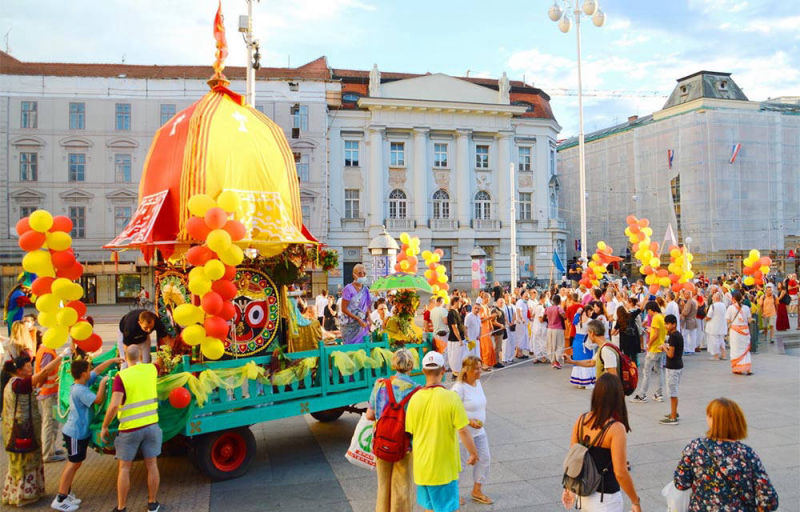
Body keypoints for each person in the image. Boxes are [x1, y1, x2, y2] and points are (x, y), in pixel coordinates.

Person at [673, 398, 779, 511]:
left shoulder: (696, 447)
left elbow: (681, 483)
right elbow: (769, 499)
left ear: (712, 420)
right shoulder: (747, 453)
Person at [405, 351, 477, 512]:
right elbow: (463, 430)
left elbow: (410, 431)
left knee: (429, 507)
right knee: (449, 508)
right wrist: (473, 452)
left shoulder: (414, 399)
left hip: (422, 466)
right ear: (443, 370)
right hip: (443, 467)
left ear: (423, 371)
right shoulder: (451, 397)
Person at [562, 373, 641, 512]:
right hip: (606, 499)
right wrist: (635, 501)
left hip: (583, 494)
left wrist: (568, 488)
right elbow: (620, 472)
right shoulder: (616, 429)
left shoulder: (582, 420)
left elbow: (573, 459)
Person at [52, 356, 121, 511]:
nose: (91, 372)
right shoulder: (80, 390)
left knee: (76, 462)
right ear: (83, 374)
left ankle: (67, 492)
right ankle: (60, 497)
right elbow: (97, 400)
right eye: (88, 370)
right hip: (75, 433)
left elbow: (97, 370)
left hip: (79, 433)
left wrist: (112, 361)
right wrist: (103, 383)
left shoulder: (82, 382)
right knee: (72, 463)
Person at [100, 345, 162, 512]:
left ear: (125, 358)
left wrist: (105, 426)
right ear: (140, 355)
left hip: (129, 429)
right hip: (151, 425)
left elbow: (113, 406)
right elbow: (159, 364)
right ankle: (152, 503)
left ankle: (121, 507)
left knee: (125, 468)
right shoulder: (151, 369)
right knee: (152, 465)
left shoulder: (122, 377)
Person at [2, 351, 68, 507]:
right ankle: (22, 495)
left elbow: (40, 379)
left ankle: (24, 493)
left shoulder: (15, 383)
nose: (30, 369)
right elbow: (43, 373)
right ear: (19, 370)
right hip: (22, 431)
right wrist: (61, 357)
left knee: (24, 462)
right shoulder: (18, 384)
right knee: (25, 462)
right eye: (27, 367)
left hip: (20, 430)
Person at [365, 349, 419, 512]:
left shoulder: (380, 384)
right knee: (402, 488)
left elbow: (370, 415)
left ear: (394, 363)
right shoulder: (417, 390)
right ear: (411, 365)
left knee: (383, 487)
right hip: (405, 445)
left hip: (382, 443)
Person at [452, 356, 492, 505]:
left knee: (485, 459)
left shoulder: (478, 383)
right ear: (467, 370)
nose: (479, 371)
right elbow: (453, 411)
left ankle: (477, 490)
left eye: (480, 368)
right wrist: (469, 421)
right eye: (476, 368)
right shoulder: (458, 388)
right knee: (460, 464)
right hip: (463, 433)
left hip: (479, 431)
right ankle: (453, 493)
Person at [34, 337, 65, 463]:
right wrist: (61, 357)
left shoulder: (46, 349)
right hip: (47, 393)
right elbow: (45, 371)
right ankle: (47, 454)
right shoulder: (47, 352)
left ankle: (51, 449)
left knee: (52, 423)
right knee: (49, 423)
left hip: (49, 391)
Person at [630, 302, 665, 403]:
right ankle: (659, 393)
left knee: (647, 372)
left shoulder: (655, 318)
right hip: (660, 347)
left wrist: (649, 343)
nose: (647, 313)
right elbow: (659, 331)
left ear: (651, 309)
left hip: (654, 348)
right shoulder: (662, 316)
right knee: (659, 371)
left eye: (648, 311)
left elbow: (656, 334)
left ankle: (642, 394)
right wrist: (650, 330)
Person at [340, 264, 372, 344]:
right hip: (350, 326)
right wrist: (357, 319)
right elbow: (344, 309)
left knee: (364, 350)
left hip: (363, 326)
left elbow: (367, 307)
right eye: (359, 273)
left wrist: (369, 318)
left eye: (364, 273)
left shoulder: (366, 290)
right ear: (354, 275)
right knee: (351, 351)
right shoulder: (348, 289)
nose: (362, 275)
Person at [660, 314, 683, 425]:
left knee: (672, 393)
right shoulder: (677, 335)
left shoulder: (673, 337)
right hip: (677, 366)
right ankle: (674, 412)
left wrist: (664, 347)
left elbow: (670, 354)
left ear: (673, 324)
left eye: (668, 324)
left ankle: (673, 417)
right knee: (673, 391)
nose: (666, 326)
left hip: (673, 367)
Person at [726, 291, 753, 375]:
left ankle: (738, 368)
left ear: (733, 298)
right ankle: (748, 368)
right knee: (745, 350)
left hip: (735, 332)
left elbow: (728, 320)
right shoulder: (746, 308)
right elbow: (749, 320)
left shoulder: (730, 308)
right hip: (745, 331)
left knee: (736, 349)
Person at [568, 305, 594, 388]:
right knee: (586, 361)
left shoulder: (576, 318)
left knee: (578, 361)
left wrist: (578, 312)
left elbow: (576, 316)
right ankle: (586, 383)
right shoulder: (590, 321)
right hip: (585, 343)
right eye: (591, 311)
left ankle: (580, 382)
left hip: (576, 342)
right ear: (588, 311)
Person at [544, 295, 566, 369]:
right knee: (559, 345)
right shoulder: (559, 308)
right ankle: (557, 361)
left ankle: (552, 361)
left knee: (551, 346)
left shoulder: (548, 308)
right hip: (558, 328)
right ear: (559, 301)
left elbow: (544, 316)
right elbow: (564, 316)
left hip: (549, 328)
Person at [704, 292, 728, 360]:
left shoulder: (713, 306)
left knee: (714, 341)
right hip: (722, 326)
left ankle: (716, 356)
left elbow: (709, 316)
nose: (712, 298)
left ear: (716, 298)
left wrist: (705, 319)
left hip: (713, 327)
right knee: (721, 341)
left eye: (713, 297)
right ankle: (723, 355)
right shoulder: (723, 305)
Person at [446, 297, 466, 377]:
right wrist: (460, 339)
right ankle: (455, 373)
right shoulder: (451, 313)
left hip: (460, 338)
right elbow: (454, 327)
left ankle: (459, 371)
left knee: (460, 356)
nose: (461, 303)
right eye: (460, 302)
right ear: (455, 302)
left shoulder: (457, 311)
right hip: (455, 339)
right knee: (455, 356)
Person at [476, 297, 496, 372]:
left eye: (489, 298)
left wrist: (491, 326)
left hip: (487, 328)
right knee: (485, 347)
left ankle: (487, 363)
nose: (488, 300)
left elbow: (488, 318)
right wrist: (490, 317)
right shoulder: (481, 307)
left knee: (489, 347)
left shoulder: (486, 306)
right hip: (483, 329)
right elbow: (481, 320)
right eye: (487, 298)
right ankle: (484, 364)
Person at [490, 298, 506, 369]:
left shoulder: (501, 310)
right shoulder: (495, 310)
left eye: (503, 302)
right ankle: (496, 362)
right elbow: (493, 321)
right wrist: (501, 325)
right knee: (497, 348)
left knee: (499, 348)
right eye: (500, 302)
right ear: (497, 302)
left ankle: (498, 361)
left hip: (501, 332)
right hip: (497, 332)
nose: (502, 303)